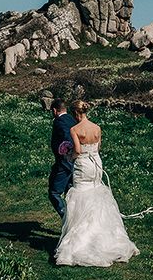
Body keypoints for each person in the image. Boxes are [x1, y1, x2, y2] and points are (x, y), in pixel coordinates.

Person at [54, 101, 140, 267]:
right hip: (96, 164)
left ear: (75, 113)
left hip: (83, 164)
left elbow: (78, 151)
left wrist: (68, 156)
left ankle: (83, 240)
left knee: (81, 196)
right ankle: (105, 236)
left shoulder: (75, 129)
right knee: (95, 191)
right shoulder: (97, 127)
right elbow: (98, 147)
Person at [48, 98, 76, 219]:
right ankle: (74, 215)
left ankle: (66, 218)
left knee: (54, 192)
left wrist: (65, 154)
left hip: (65, 162)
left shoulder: (59, 122)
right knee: (69, 191)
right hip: (74, 161)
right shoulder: (72, 119)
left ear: (54, 110)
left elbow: (67, 138)